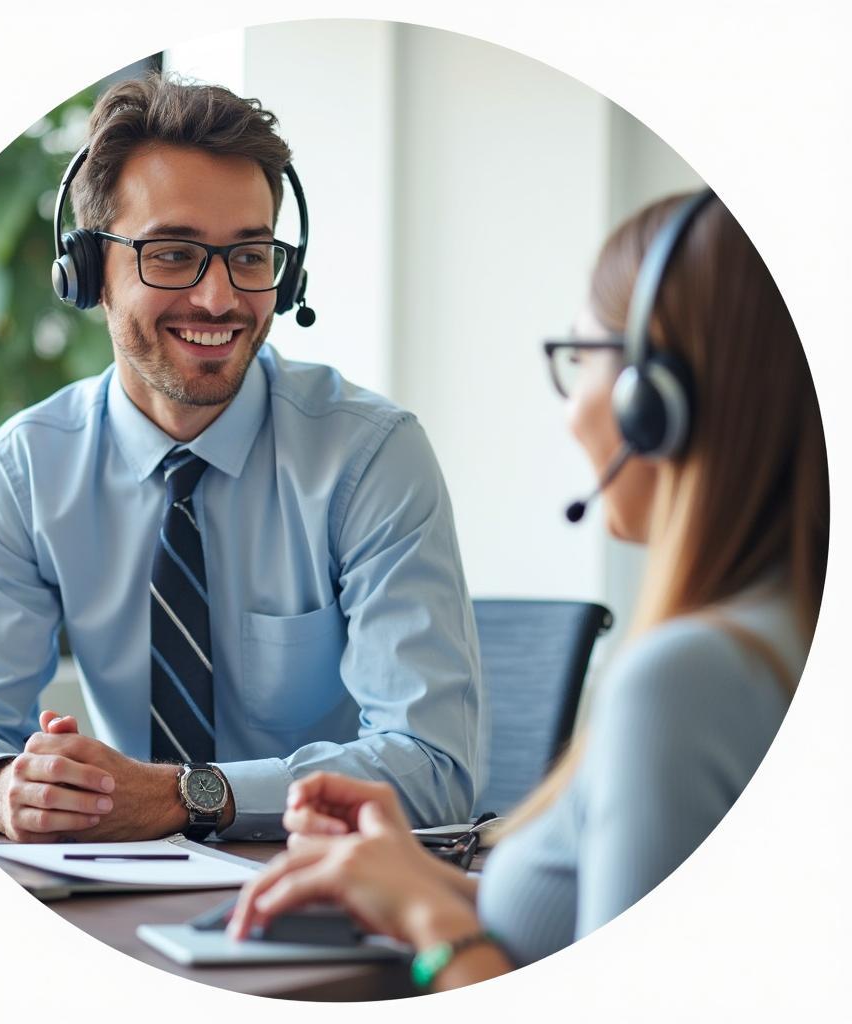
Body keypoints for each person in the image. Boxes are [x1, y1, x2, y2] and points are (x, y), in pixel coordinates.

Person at [229, 192, 829, 991]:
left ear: (653, 405)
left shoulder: (688, 679)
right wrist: (417, 878)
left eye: (582, 357)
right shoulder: (787, 635)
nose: (573, 405)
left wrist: (431, 926)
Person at [0, 74, 481, 844]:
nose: (219, 298)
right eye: (173, 255)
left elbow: (434, 768)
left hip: (328, 883)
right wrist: (5, 787)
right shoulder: (27, 469)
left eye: (250, 256)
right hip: (120, 890)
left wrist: (186, 795)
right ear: (85, 273)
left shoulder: (370, 457)